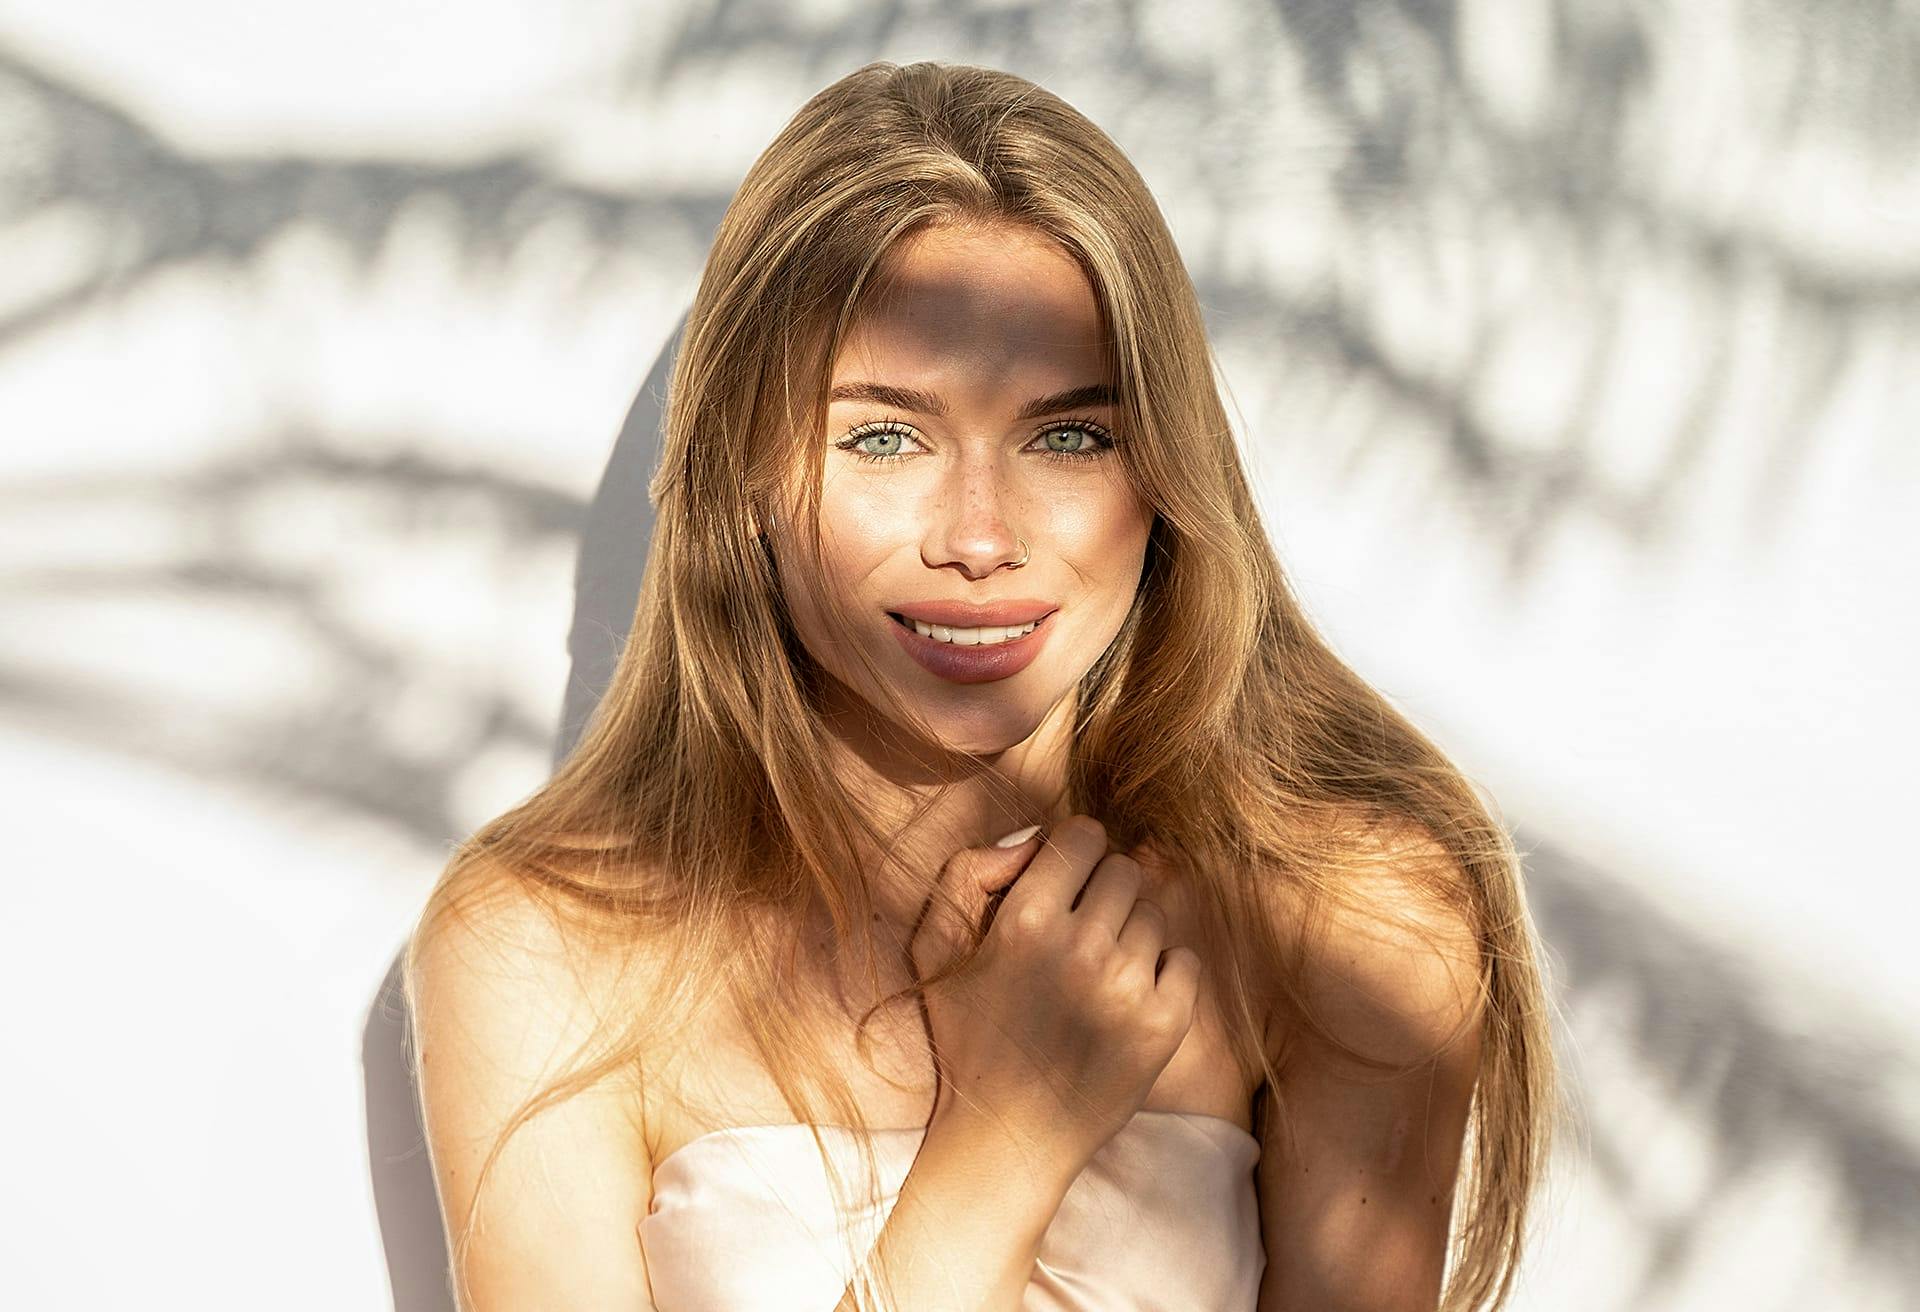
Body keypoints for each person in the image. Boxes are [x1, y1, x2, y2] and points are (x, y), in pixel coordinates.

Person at [403, 59, 1564, 1312]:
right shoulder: (548, 945)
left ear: (1166, 471)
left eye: (1069, 435)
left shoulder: (1346, 913)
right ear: (744, 470)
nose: (979, 536)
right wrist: (1003, 1144)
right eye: (885, 436)